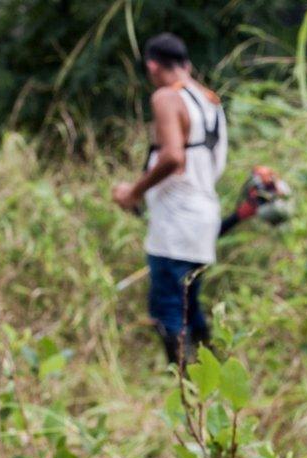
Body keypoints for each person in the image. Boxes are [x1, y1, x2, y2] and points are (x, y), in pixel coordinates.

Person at [112, 32, 227, 366]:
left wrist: (133, 192)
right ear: (186, 64)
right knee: (191, 306)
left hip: (176, 225)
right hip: (205, 216)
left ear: (152, 66)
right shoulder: (210, 101)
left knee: (167, 310)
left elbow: (174, 158)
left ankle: (187, 389)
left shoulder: (166, 97)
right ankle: (212, 375)